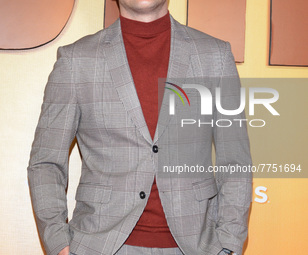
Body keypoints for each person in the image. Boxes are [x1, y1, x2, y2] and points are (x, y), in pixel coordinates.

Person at [27, 0, 252, 255]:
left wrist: (229, 243)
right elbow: (45, 162)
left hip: (196, 247)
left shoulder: (215, 56)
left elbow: (235, 162)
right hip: (99, 246)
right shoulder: (76, 60)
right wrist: (59, 244)